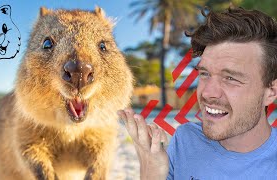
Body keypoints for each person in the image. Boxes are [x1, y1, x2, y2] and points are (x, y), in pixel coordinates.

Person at [118, 6, 277, 179]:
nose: (207, 93)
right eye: (204, 74)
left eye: (230, 78)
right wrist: (151, 173)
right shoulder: (186, 139)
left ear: (271, 91)